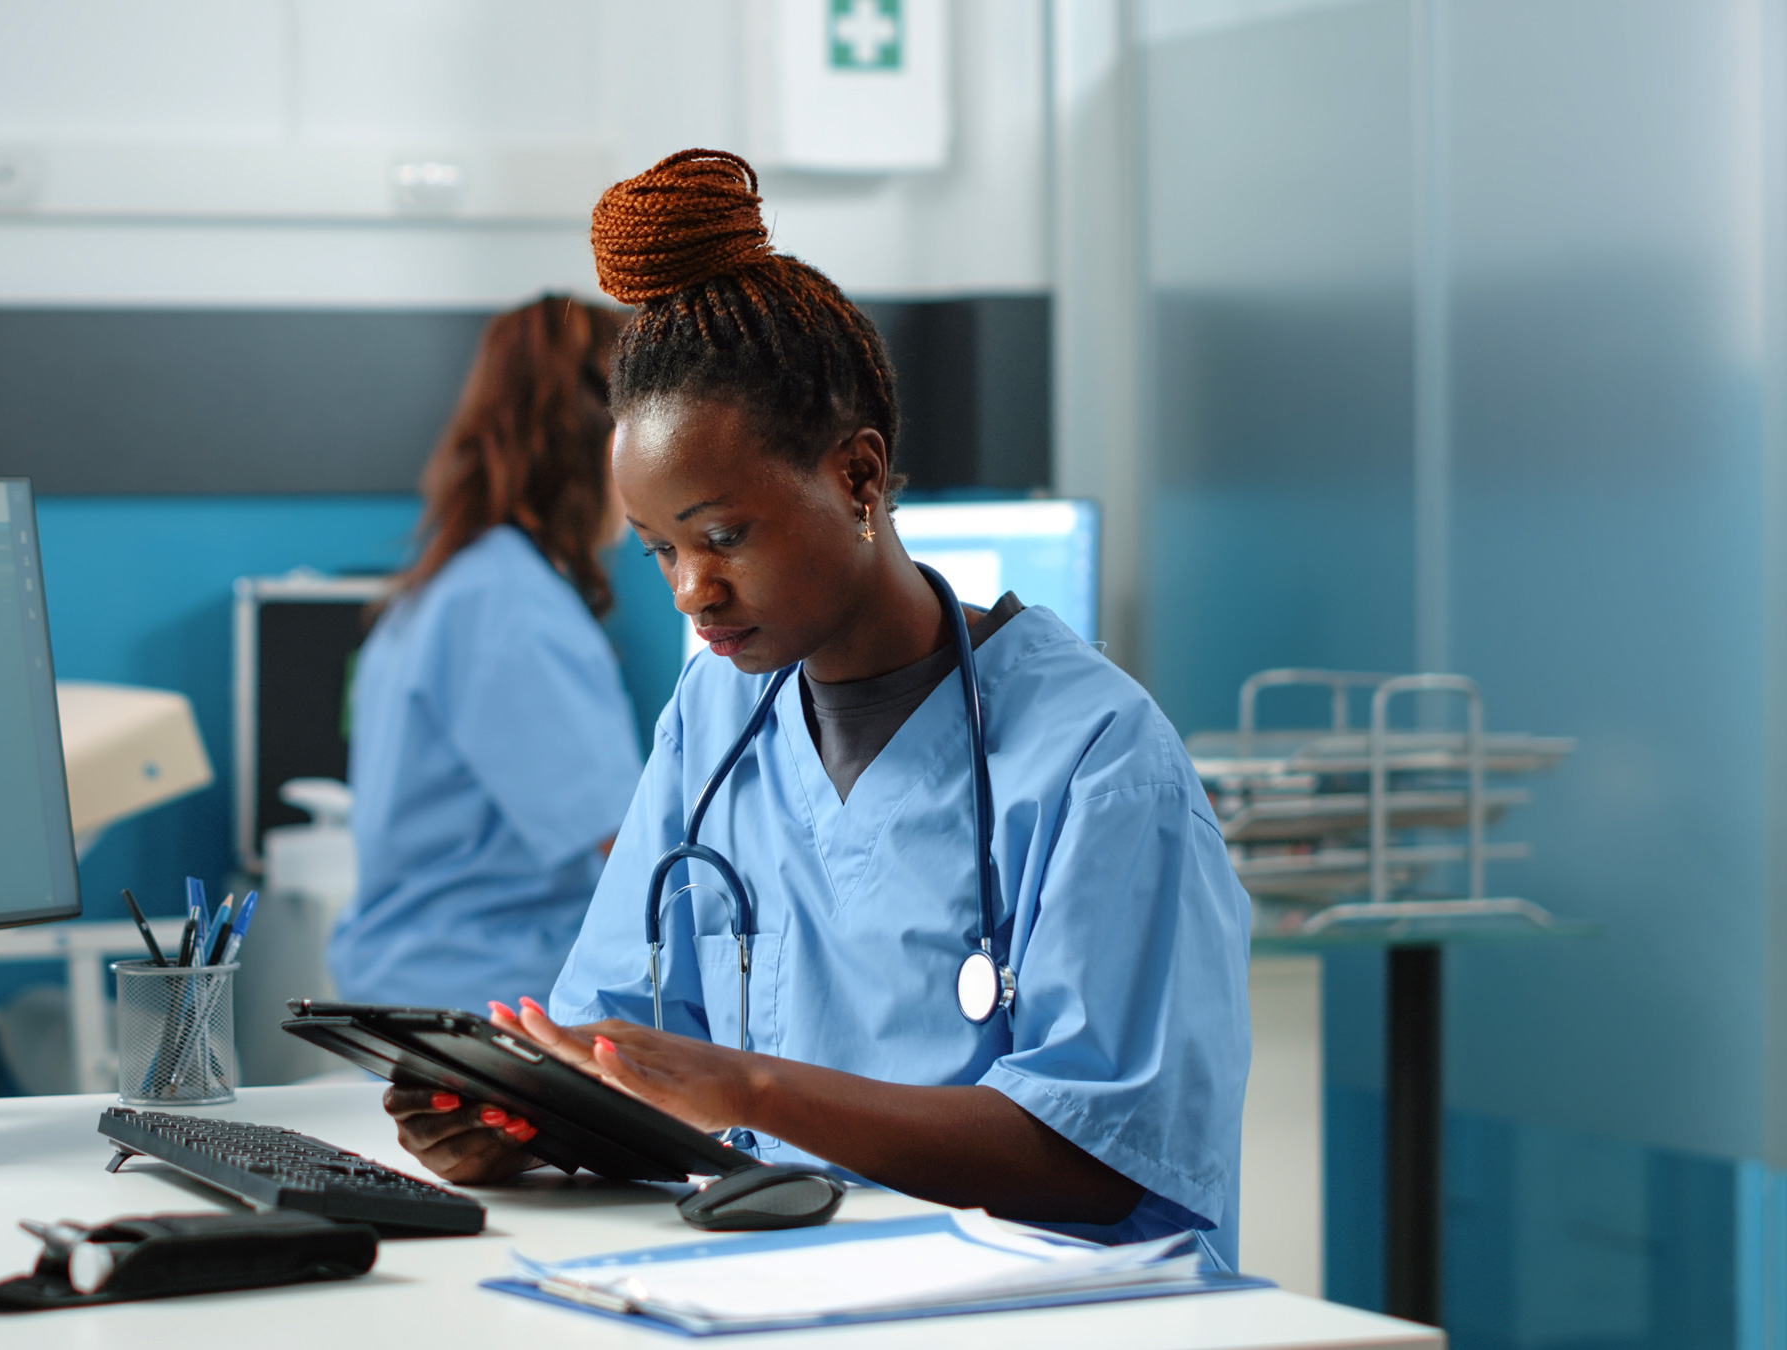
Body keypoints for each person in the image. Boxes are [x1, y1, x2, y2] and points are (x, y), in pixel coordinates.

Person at [382, 151, 1254, 1262]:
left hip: (1046, 1315)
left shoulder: (1097, 756)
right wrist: (528, 1124)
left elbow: (1094, 1159)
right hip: (784, 1283)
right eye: (659, 551)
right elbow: (630, 1049)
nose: (693, 589)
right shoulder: (713, 712)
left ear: (858, 476)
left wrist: (751, 1087)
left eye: (723, 535)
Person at [326, 295, 644, 1013]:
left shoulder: (451, 588)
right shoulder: (512, 607)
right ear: (599, 437)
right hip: (491, 1006)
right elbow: (633, 855)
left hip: (421, 989)